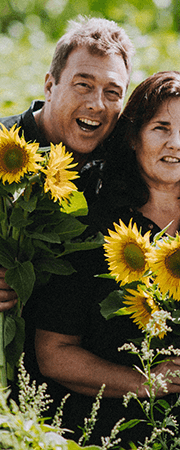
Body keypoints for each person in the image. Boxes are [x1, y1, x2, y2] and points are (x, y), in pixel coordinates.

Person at [31, 71, 180, 444]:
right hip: (112, 443)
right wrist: (143, 382)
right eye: (161, 128)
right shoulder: (95, 227)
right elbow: (54, 353)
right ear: (132, 136)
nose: (175, 143)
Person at [0, 16, 134, 311]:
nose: (97, 104)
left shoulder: (122, 164)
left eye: (112, 92)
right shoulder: (3, 144)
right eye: (83, 85)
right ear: (50, 86)